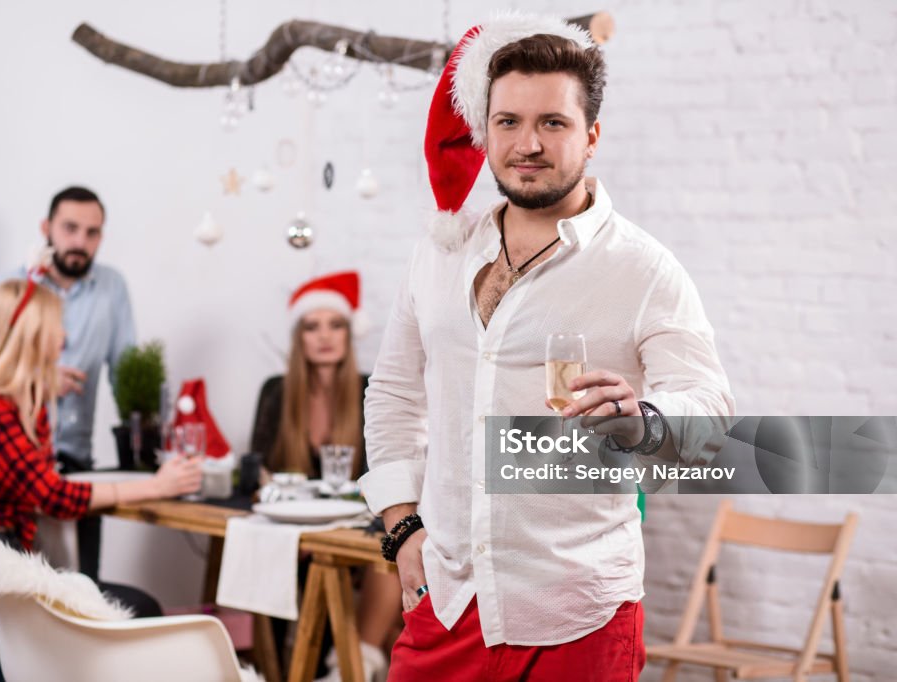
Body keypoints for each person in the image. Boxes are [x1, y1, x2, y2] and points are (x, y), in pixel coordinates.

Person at [358, 14, 735, 681]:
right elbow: (393, 392)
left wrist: (644, 420)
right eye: (508, 122)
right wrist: (400, 525)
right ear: (484, 129)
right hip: (446, 603)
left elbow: (709, 413)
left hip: (578, 614)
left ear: (591, 136)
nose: (526, 144)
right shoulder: (439, 254)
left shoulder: (643, 268)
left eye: (552, 124)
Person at [0, 278, 201, 654]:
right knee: (114, 619)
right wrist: (156, 487)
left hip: (2, 572)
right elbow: (53, 496)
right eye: (57, 327)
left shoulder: (17, 406)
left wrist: (38, 385)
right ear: (32, 336)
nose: (64, 337)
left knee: (141, 607)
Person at [0, 186, 133, 581]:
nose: (80, 242)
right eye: (70, 228)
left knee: (81, 584)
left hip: (74, 462)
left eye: (92, 233)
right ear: (46, 228)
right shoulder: (6, 294)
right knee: (42, 590)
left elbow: (127, 373)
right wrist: (37, 381)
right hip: (20, 467)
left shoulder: (112, 288)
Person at [250, 271, 401, 682]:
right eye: (312, 327)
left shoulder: (372, 389)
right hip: (292, 532)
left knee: (391, 550)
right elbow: (258, 469)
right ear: (299, 337)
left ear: (349, 334)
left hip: (354, 529)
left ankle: (353, 665)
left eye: (335, 325)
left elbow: (382, 474)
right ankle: (281, 666)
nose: (324, 337)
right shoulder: (277, 392)